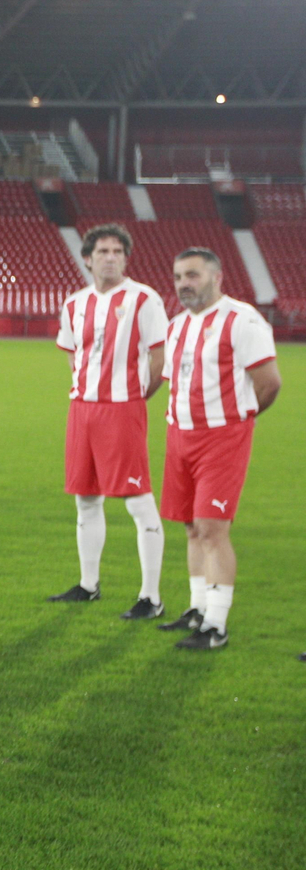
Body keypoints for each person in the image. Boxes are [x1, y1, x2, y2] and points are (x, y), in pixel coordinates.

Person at [154, 248, 281, 651]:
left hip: (222, 437)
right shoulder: (175, 327)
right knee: (191, 527)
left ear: (216, 277)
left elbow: (270, 382)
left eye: (192, 275)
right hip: (180, 435)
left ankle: (217, 625)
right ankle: (197, 608)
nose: (183, 283)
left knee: (212, 528)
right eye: (178, 277)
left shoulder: (241, 320)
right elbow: (176, 382)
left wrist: (242, 418)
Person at [47, 224, 169, 616]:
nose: (111, 257)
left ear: (125, 258)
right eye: (103, 251)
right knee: (86, 499)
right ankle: (88, 584)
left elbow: (159, 356)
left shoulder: (143, 299)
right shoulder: (74, 303)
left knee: (138, 500)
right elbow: (72, 353)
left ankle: (150, 596)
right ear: (88, 258)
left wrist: (134, 396)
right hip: (82, 410)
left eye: (118, 251)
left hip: (123, 409)